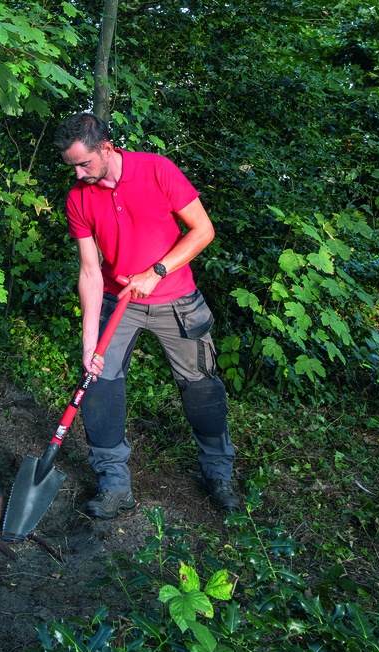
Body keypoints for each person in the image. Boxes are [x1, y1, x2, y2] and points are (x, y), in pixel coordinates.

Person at [53, 112, 240, 518]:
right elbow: (89, 272)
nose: (80, 174)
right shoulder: (78, 198)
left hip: (176, 297)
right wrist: (89, 343)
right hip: (119, 304)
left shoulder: (157, 169)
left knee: (202, 388)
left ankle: (218, 474)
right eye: (72, 166)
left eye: (85, 163)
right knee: (98, 384)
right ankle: (114, 485)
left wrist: (157, 272)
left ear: (106, 147)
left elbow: (202, 231)